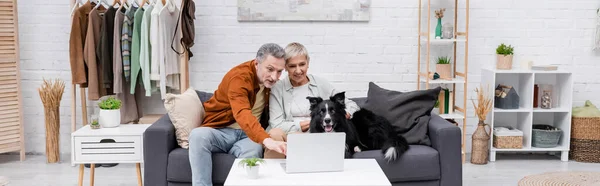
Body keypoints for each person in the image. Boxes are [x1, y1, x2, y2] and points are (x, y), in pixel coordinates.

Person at [188, 43, 288, 186]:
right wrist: (267, 140)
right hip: (221, 131)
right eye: (270, 69)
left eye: (279, 72)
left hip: (248, 136)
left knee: (254, 151)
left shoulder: (270, 84)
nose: (274, 77)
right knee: (197, 136)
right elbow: (242, 112)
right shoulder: (239, 77)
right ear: (256, 63)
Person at [265, 42, 360, 158]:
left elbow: (352, 105)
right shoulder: (278, 88)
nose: (298, 70)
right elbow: (276, 123)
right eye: (292, 66)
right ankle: (274, 173)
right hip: (290, 136)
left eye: (302, 64)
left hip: (319, 135)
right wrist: (302, 125)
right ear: (285, 67)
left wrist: (344, 113)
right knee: (274, 133)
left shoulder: (320, 83)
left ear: (308, 63)